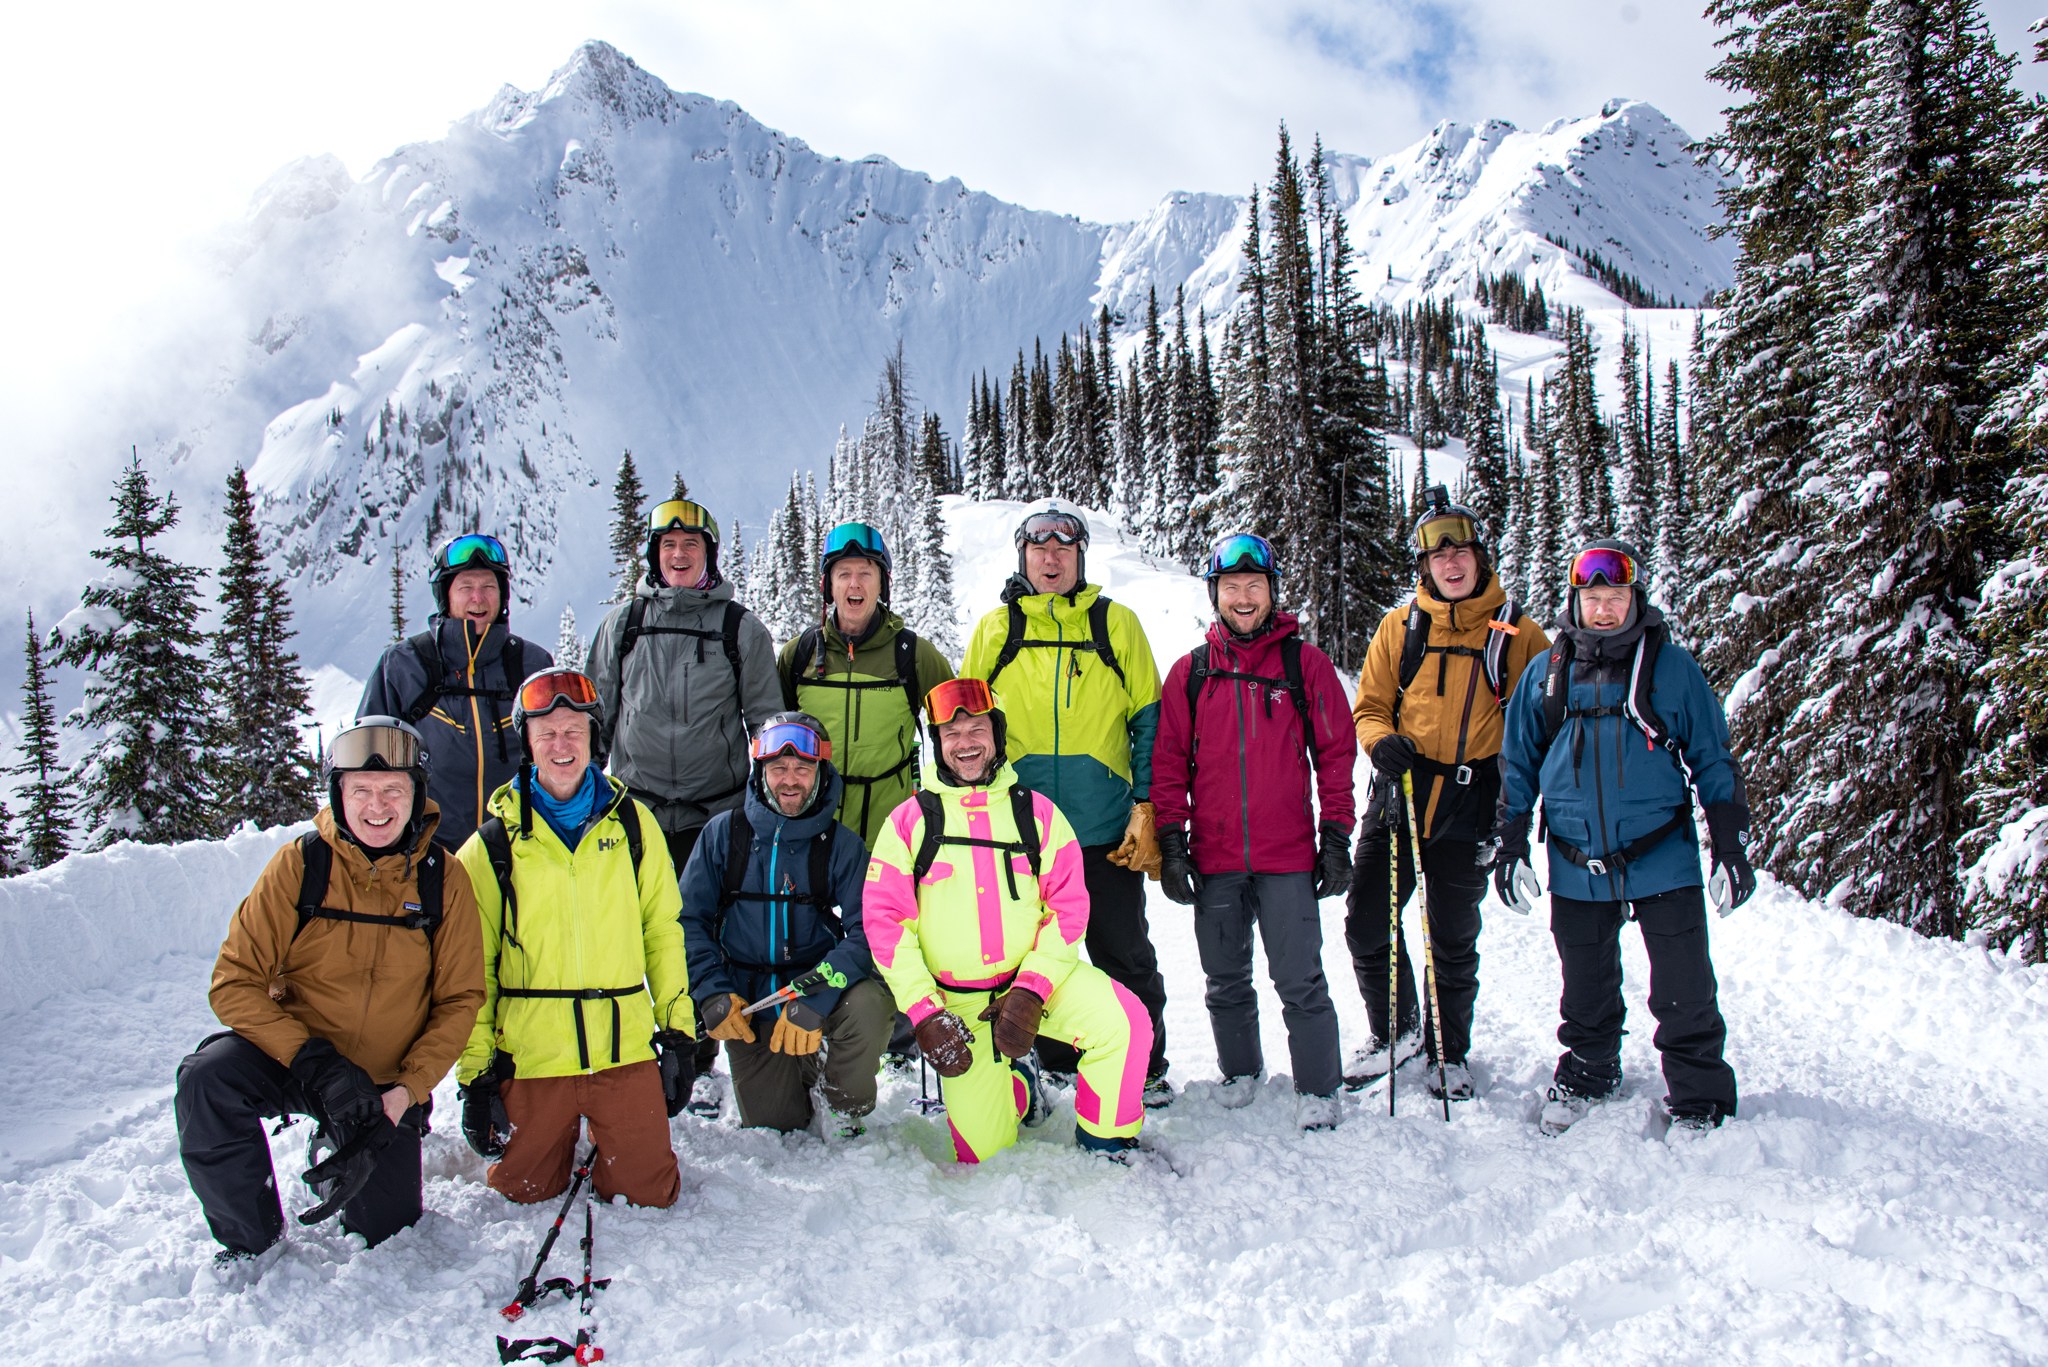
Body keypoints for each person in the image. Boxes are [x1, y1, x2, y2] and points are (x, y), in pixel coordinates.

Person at [176, 717, 484, 1267]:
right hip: (299, 1059)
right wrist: (312, 1059)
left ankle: (338, 1139)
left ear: (417, 794)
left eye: (394, 789)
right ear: (338, 794)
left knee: (386, 1232)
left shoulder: (445, 879)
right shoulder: (302, 865)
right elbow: (234, 982)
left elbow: (460, 1000)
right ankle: (250, 1242)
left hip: (381, 1088)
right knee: (207, 1079)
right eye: (360, 790)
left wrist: (406, 1091)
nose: (377, 806)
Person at [1493, 539, 1753, 1134]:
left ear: (1634, 600)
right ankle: (1590, 1068)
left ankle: (1699, 1094)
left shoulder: (1672, 668)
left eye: (1615, 597)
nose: (1604, 609)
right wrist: (1510, 845)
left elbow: (1712, 756)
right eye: (1593, 598)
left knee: (1684, 985)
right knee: (1585, 982)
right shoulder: (1547, 673)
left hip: (1663, 855)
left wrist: (1729, 845)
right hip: (1575, 856)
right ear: (1575, 602)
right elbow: (1518, 764)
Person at [864, 678, 1153, 1162]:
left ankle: (1108, 1141)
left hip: (1037, 985)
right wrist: (925, 1012)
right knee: (983, 1152)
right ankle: (1018, 1085)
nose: (966, 744)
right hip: (958, 1006)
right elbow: (886, 924)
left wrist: (1032, 989)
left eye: (977, 729)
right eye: (952, 735)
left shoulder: (1036, 814)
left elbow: (1068, 908)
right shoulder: (910, 822)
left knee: (1125, 1022)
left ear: (996, 736)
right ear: (937, 744)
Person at [452, 668, 696, 1207]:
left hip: (621, 1049)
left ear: (594, 739)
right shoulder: (492, 846)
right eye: (547, 734)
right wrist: (476, 1074)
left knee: (649, 1196)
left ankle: (607, 1135)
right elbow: (472, 967)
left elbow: (663, 932)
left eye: (574, 732)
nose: (561, 746)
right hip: (533, 1058)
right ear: (528, 744)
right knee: (524, 1195)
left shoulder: (633, 826)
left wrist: (677, 1034)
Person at [959, 498, 1171, 1103]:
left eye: (1063, 548)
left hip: (1103, 828)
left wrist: (1147, 804)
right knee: (1029, 958)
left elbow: (1148, 722)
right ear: (1023, 556)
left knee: (1122, 951)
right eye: (1039, 548)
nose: (1051, 558)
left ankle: (1145, 1065)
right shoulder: (997, 631)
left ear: (1080, 555)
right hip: (1020, 834)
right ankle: (1052, 1061)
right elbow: (965, 728)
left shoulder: (1116, 624)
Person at [1346, 487, 1549, 1100]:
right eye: (1439, 557)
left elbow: (1539, 725)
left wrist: (1520, 813)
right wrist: (1380, 742)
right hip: (1399, 792)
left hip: (1472, 798)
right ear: (1425, 566)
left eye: (1462, 553)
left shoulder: (1517, 635)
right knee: (1366, 922)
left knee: (1453, 934)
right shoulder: (1400, 627)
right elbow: (1371, 706)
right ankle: (1397, 1030)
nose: (1451, 565)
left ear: (1480, 559)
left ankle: (1448, 1051)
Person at [1151, 533, 1359, 1130]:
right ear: (1215, 595)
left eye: (1255, 586)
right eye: (1231, 588)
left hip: (1287, 855)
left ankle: (1320, 1089)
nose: (1244, 598)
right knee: (1225, 977)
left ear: (1271, 592)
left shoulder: (1305, 665)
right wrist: (1172, 842)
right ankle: (1241, 1072)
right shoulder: (1190, 673)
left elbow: (1336, 756)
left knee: (1300, 979)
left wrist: (1336, 835)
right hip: (1215, 857)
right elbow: (1169, 764)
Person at [679, 711, 894, 1135]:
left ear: (820, 772)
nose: (790, 780)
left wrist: (814, 997)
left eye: (802, 768)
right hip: (751, 1002)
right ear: (760, 772)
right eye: (778, 768)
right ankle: (799, 1073)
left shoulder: (842, 845)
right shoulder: (724, 835)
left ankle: (844, 1109)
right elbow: (688, 920)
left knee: (870, 1004)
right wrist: (712, 992)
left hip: (822, 989)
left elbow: (868, 931)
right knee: (777, 1127)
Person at [587, 499, 782, 873]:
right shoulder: (623, 625)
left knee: (709, 928)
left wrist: (770, 807)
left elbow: (766, 726)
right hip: (635, 816)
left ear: (708, 554)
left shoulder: (740, 628)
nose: (679, 554)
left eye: (691, 544)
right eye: (668, 545)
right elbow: (594, 724)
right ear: (654, 554)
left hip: (718, 818)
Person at [358, 533, 555, 848]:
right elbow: (363, 764)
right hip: (430, 858)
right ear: (445, 595)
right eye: (466, 588)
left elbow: (566, 753)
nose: (478, 598)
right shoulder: (404, 665)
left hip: (520, 855)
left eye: (489, 587)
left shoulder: (531, 664)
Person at [776, 522, 955, 849]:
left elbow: (959, 728)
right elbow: (772, 744)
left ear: (882, 585)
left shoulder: (913, 655)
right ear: (828, 586)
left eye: (865, 573)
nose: (854, 584)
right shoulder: (797, 655)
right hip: (811, 830)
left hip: (890, 834)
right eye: (843, 574)